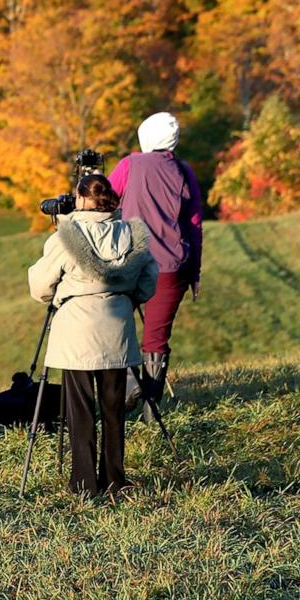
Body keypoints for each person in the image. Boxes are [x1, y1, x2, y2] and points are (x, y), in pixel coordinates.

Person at [28, 175, 158, 497]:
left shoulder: (65, 238)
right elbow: (149, 280)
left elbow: (40, 287)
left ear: (81, 199)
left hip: (76, 335)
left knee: (81, 411)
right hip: (117, 332)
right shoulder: (131, 234)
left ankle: (84, 484)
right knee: (114, 411)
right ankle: (115, 480)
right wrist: (127, 298)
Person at [108, 111, 203, 403]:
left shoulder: (130, 165)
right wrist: (195, 273)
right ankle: (152, 411)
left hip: (131, 263)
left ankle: (125, 382)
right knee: (156, 339)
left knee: (112, 320)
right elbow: (195, 225)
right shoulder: (185, 171)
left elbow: (103, 200)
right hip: (172, 268)